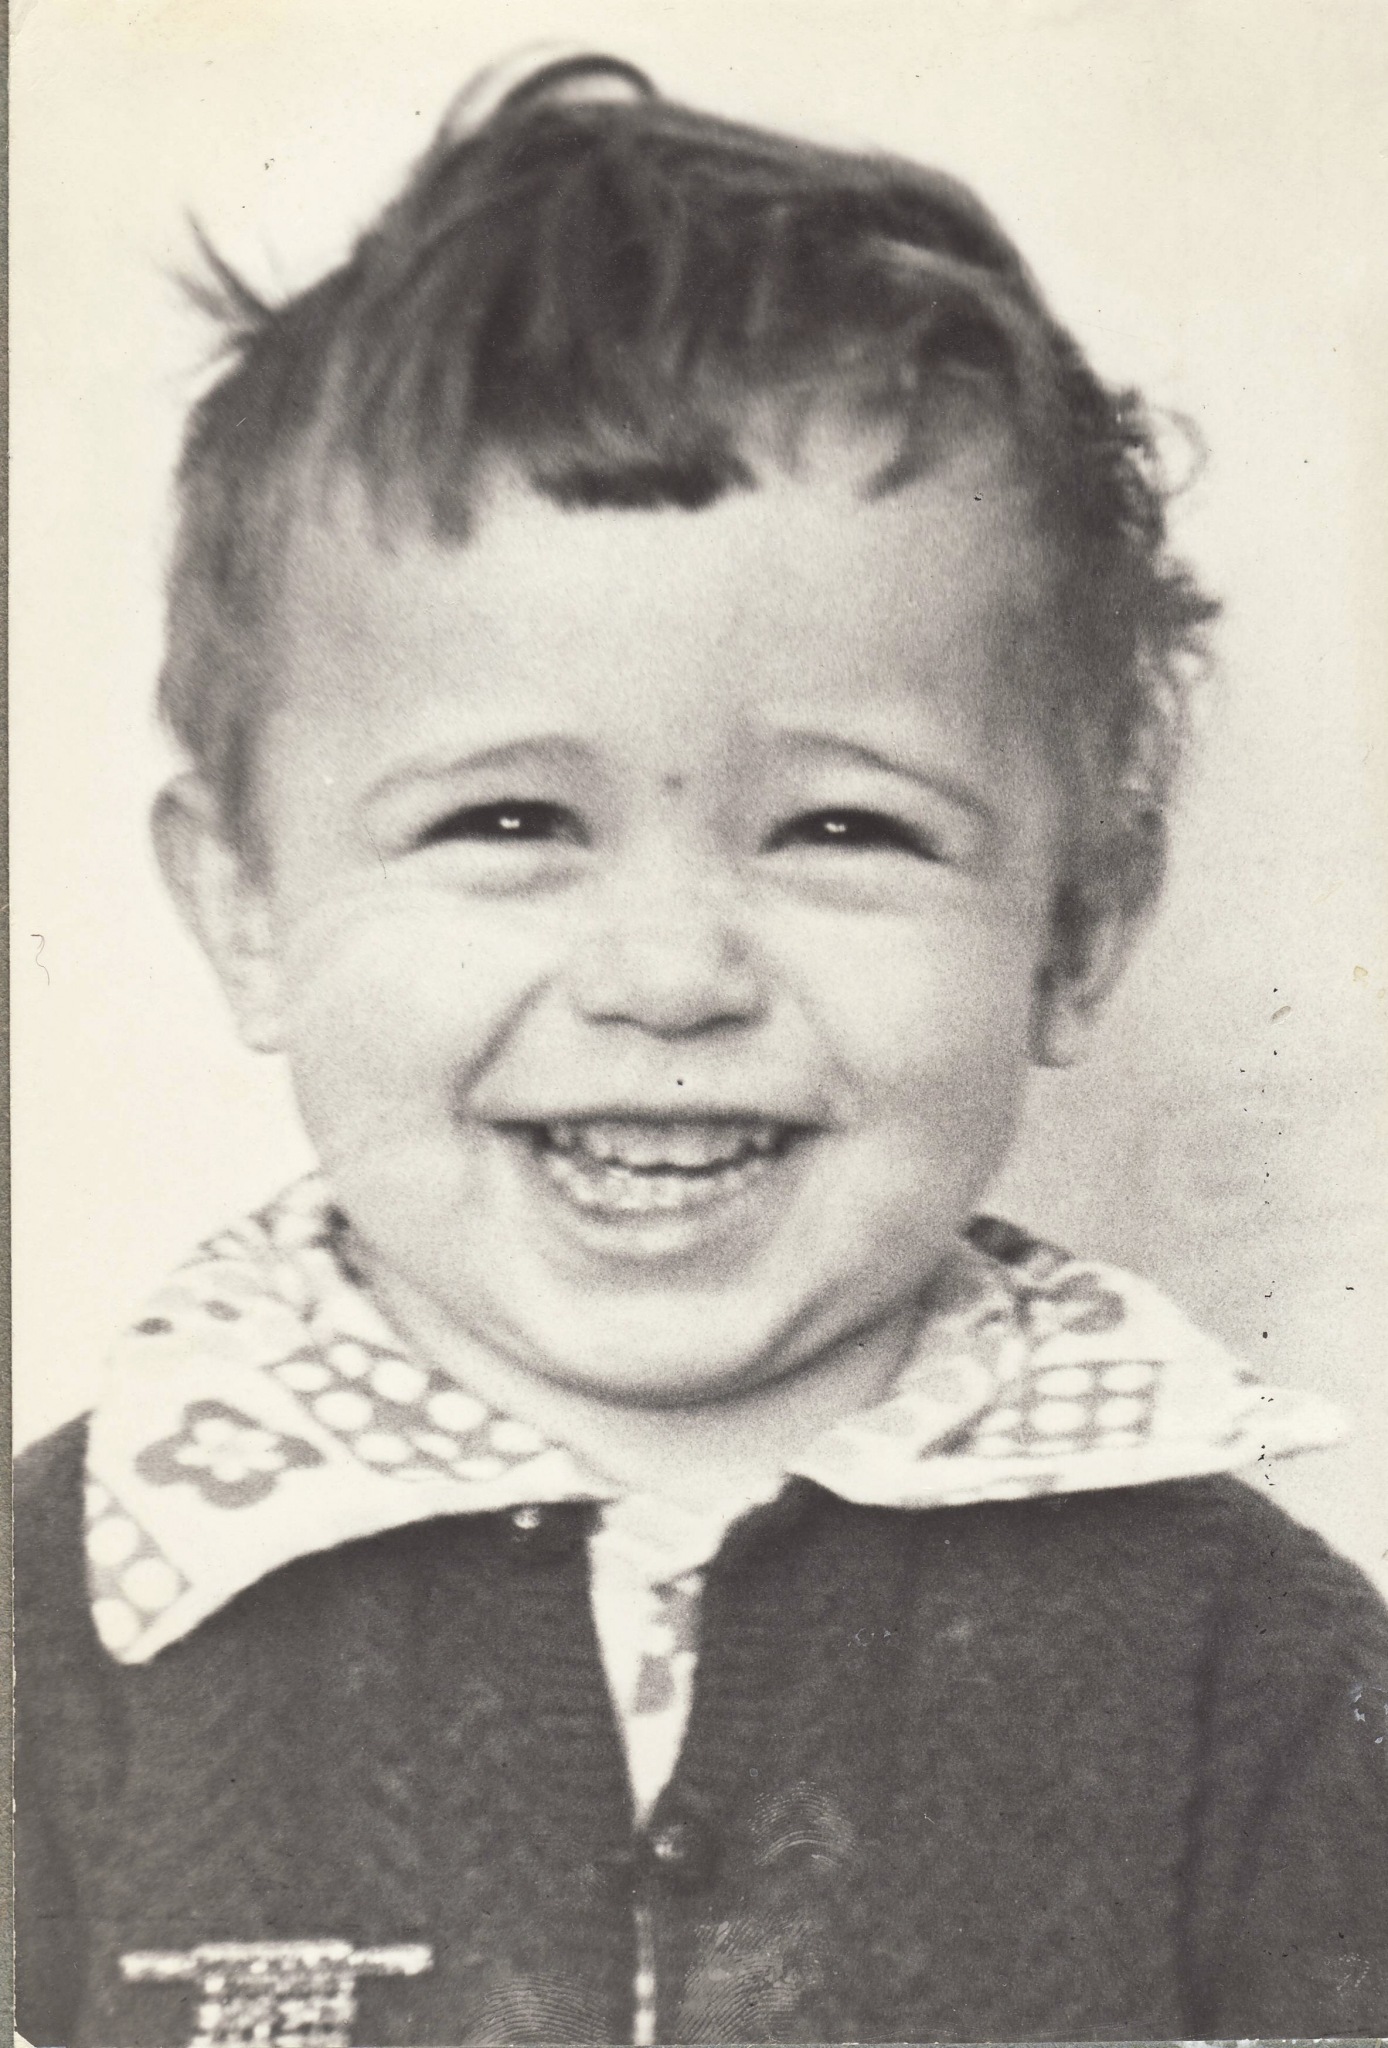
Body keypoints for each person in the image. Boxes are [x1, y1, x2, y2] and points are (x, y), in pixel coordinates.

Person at [15, 46, 1388, 2048]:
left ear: (1077, 924)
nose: (668, 975)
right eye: (508, 820)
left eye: (841, 828)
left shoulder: (1254, 1667)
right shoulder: (59, 1637)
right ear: (246, 909)